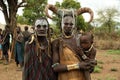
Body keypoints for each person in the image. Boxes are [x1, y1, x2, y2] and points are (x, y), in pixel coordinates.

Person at [45, 4, 96, 80]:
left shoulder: (80, 40)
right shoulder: (56, 42)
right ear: (61, 24)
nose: (68, 26)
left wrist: (91, 64)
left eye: (71, 24)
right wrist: (78, 66)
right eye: (66, 23)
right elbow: (55, 67)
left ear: (74, 25)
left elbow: (89, 66)